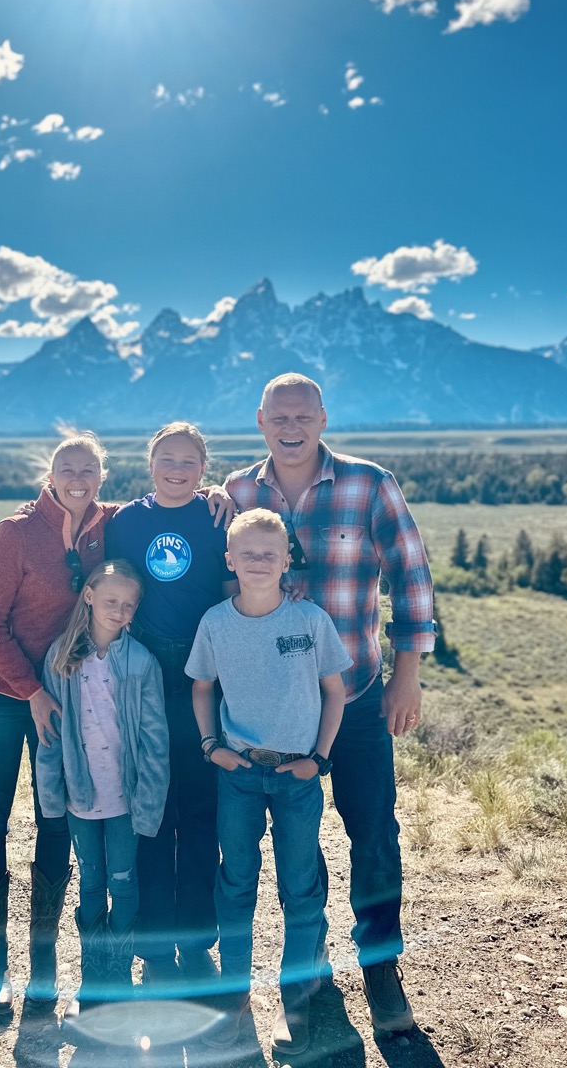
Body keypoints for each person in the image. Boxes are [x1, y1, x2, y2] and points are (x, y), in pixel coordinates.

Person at [223, 373, 436, 1033]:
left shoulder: (369, 483)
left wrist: (408, 676)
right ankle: (307, 962)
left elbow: (411, 575)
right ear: (261, 419)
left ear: (321, 417)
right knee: (297, 841)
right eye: (278, 416)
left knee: (373, 835)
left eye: (302, 416)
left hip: (361, 693)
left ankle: (381, 969)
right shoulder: (234, 493)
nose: (291, 427)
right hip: (275, 709)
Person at [187, 509, 349, 1057]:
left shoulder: (310, 621)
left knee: (300, 888)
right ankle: (234, 998)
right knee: (235, 883)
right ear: (229, 560)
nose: (258, 562)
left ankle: (295, 1001)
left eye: (269, 554)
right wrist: (213, 747)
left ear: (287, 560)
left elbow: (335, 692)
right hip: (240, 774)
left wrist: (320, 760)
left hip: (298, 775)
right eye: (247, 554)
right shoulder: (215, 623)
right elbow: (203, 688)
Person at [0, 432, 113, 1015]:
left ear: (102, 476)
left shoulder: (106, 525)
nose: (78, 477)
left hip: (63, 697)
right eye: (66, 468)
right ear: (50, 474)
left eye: (88, 469)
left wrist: (211, 494)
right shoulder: (17, 532)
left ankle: (43, 972)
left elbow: (162, 502)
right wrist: (30, 692)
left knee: (57, 817)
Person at [105, 421, 237, 993]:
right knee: (151, 807)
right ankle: (155, 942)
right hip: (143, 674)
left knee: (202, 809)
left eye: (188, 461)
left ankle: (196, 937)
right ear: (150, 461)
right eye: (166, 458)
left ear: (204, 469)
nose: (177, 469)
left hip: (205, 674)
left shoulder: (216, 518)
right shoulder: (128, 522)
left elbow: (237, 589)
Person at [36, 560, 170, 1016]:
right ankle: (93, 986)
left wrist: (148, 805)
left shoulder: (140, 662)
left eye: (128, 605)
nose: (119, 611)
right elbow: (50, 737)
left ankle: (120, 982)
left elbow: (155, 742)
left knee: (124, 879)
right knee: (91, 881)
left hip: (125, 799)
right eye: (111, 601)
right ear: (89, 596)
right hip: (81, 796)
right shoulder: (59, 658)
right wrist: (52, 799)